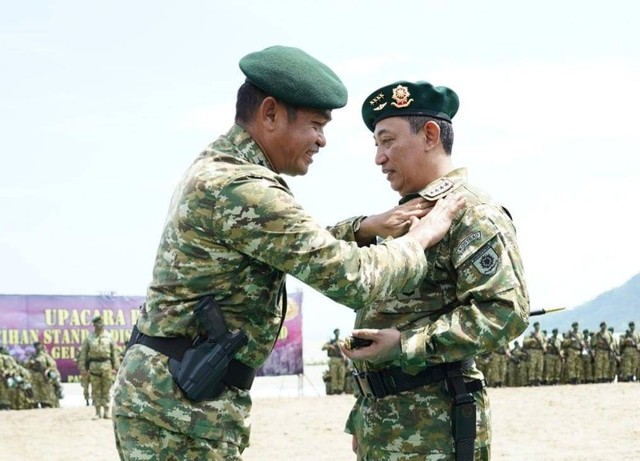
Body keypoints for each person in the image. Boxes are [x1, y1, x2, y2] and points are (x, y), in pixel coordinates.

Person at [111, 46, 465, 461]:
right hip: (178, 412)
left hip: (179, 398)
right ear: (270, 113)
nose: (322, 140)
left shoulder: (224, 167)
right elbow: (353, 280)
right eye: (316, 124)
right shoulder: (243, 188)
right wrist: (420, 238)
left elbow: (282, 246)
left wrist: (363, 227)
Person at [341, 80, 529, 460]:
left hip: (436, 426)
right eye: (376, 145)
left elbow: (505, 312)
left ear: (429, 135)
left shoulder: (471, 213)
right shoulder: (405, 215)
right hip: (385, 420)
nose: (379, 157)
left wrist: (405, 344)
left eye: (387, 141)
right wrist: (363, 417)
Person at [79, 315, 117, 419]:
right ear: (94, 325)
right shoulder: (89, 338)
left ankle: (106, 411)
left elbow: (114, 353)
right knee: (95, 390)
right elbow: (83, 354)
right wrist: (83, 368)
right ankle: (97, 412)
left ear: (103, 324)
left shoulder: (109, 337)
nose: (99, 325)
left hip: (107, 366)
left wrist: (115, 368)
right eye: (97, 324)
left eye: (100, 323)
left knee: (106, 389)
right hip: (93, 366)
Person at [322, 328, 347, 395]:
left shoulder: (341, 341)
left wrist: (345, 357)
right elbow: (323, 347)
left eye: (338, 332)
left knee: (341, 375)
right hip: (333, 360)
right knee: (334, 375)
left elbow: (346, 349)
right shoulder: (331, 341)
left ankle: (340, 389)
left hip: (341, 360)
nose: (337, 333)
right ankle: (335, 389)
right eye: (336, 332)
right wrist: (330, 346)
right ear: (334, 333)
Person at [523, 321, 547, 386]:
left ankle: (538, 380)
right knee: (532, 366)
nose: (537, 327)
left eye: (538, 325)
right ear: (534, 327)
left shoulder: (542, 334)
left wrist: (544, 346)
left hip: (540, 351)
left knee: (540, 366)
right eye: (536, 325)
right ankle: (532, 380)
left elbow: (545, 341)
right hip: (533, 351)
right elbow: (524, 342)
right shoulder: (531, 334)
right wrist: (531, 340)